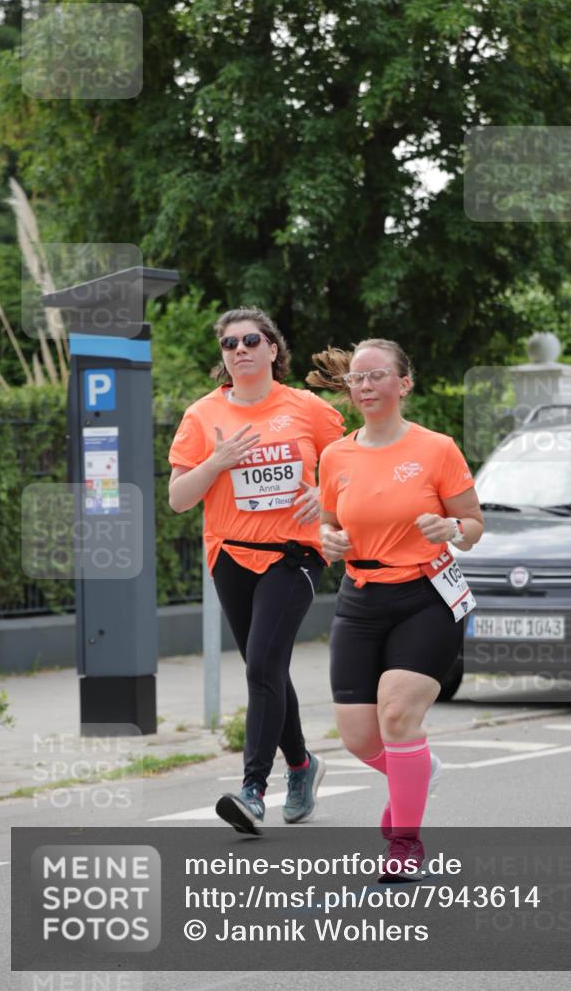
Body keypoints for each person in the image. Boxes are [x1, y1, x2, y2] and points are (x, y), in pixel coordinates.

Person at [308, 339, 483, 880]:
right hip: (361, 597)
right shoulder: (336, 454)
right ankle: (418, 771)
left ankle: (404, 843)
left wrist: (451, 529)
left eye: (375, 376)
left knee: (397, 716)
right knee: (359, 736)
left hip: (426, 595)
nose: (363, 386)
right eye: (357, 379)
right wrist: (327, 540)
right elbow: (331, 523)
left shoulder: (437, 449)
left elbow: (473, 526)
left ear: (403, 384)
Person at [168, 307, 344, 835]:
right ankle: (303, 765)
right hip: (230, 555)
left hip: (295, 554)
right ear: (222, 357)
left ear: (273, 349)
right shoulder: (202, 416)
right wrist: (216, 462)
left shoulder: (307, 409)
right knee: (265, 668)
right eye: (229, 344)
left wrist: (324, 495)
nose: (239, 349)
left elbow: (351, 468)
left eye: (250, 340)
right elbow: (178, 499)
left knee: (262, 664)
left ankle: (252, 790)